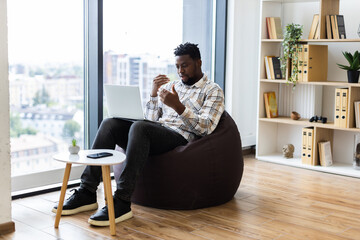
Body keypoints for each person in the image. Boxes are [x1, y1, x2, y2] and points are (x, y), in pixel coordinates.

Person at [53, 42, 225, 226]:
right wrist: (153, 95)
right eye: (177, 66)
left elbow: (205, 128)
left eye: (185, 65)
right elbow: (150, 119)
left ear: (198, 63)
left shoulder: (212, 90)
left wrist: (178, 106)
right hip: (155, 132)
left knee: (139, 128)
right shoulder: (174, 86)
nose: (180, 71)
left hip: (180, 137)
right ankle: (87, 191)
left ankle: (122, 201)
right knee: (110, 123)